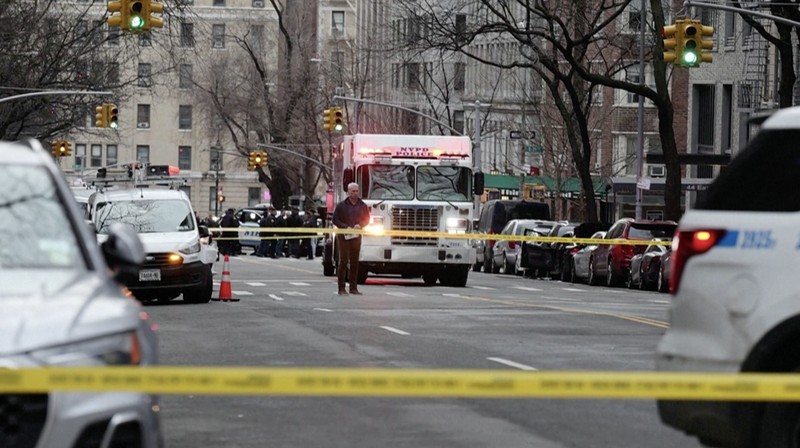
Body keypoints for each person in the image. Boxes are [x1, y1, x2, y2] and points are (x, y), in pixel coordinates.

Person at [332, 182, 369, 295]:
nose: (355, 193)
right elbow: (335, 219)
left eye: (357, 191)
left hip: (356, 237)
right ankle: (341, 288)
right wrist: (345, 227)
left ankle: (353, 288)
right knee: (343, 262)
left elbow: (367, 218)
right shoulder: (341, 205)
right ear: (348, 192)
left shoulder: (362, 205)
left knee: (354, 262)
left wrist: (360, 225)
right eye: (353, 191)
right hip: (344, 237)